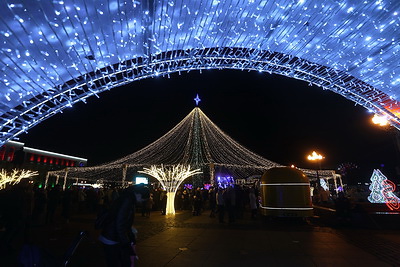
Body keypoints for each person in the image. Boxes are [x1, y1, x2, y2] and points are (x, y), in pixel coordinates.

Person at [99, 186, 138, 267]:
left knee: (115, 261)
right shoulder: (127, 201)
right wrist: (126, 242)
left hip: (112, 235)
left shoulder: (125, 199)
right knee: (116, 261)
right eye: (143, 199)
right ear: (139, 195)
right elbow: (120, 222)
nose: (142, 202)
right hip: (112, 237)